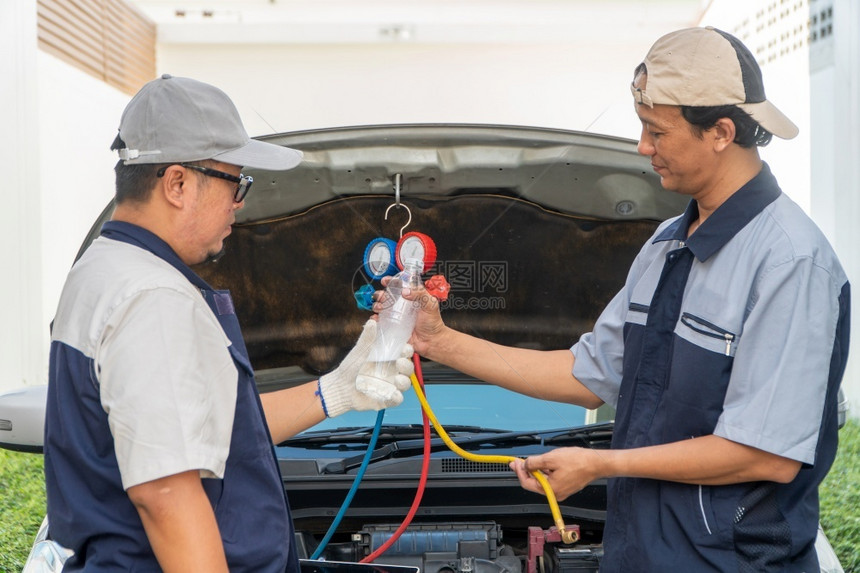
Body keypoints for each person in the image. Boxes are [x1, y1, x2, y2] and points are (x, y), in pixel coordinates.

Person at [401, 27, 850, 571]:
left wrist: (600, 464)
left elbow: (766, 454)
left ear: (721, 131)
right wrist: (438, 341)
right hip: (638, 552)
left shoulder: (789, 264)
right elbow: (586, 372)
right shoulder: (664, 246)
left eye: (655, 131)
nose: (643, 148)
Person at [44, 74, 414, 572]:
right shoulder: (153, 298)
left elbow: (209, 427)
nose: (239, 202)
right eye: (234, 182)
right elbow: (166, 491)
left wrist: (336, 391)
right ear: (176, 183)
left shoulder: (102, 271)